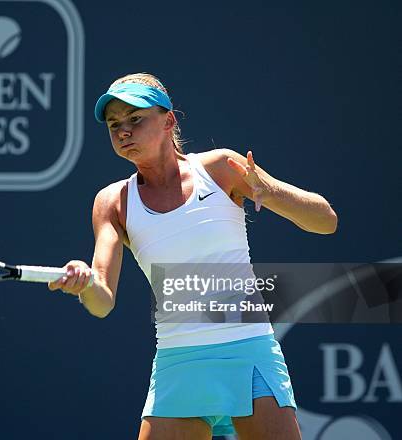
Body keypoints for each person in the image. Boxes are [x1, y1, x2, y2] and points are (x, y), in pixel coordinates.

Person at [48, 73, 337, 439]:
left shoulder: (220, 169)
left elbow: (326, 221)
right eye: (114, 124)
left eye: (135, 119)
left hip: (248, 353)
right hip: (179, 363)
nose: (123, 131)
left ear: (169, 120)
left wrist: (271, 192)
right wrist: (86, 281)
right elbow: (102, 301)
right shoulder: (112, 202)